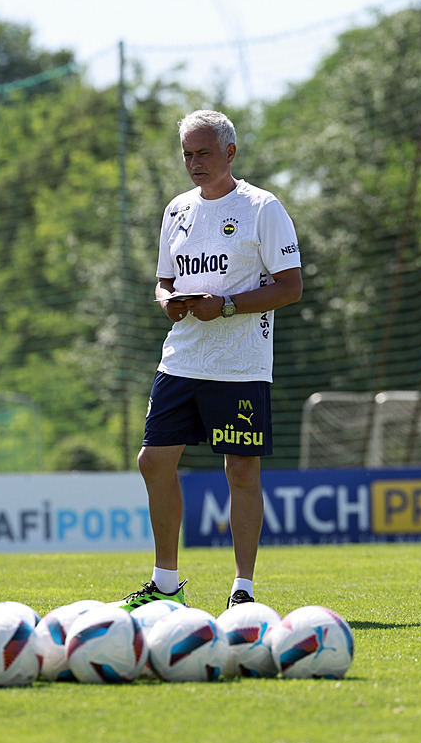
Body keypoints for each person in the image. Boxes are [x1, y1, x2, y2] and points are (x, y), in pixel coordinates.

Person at [118, 110, 302, 611]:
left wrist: (225, 305)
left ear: (230, 153)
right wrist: (166, 300)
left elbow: (290, 287)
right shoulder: (176, 209)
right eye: (187, 154)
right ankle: (165, 584)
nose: (194, 162)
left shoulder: (262, 207)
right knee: (153, 461)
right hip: (181, 360)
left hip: (240, 365)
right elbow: (164, 279)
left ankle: (242, 590)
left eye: (203, 152)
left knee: (240, 471)